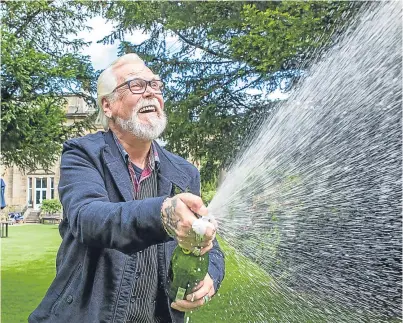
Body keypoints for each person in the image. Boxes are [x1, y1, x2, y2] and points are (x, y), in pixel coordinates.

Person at [29, 53, 225, 323]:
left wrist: (212, 275)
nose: (151, 93)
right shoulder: (82, 154)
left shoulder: (184, 172)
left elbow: (209, 242)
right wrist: (164, 213)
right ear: (108, 105)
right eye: (136, 85)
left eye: (155, 85)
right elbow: (88, 218)